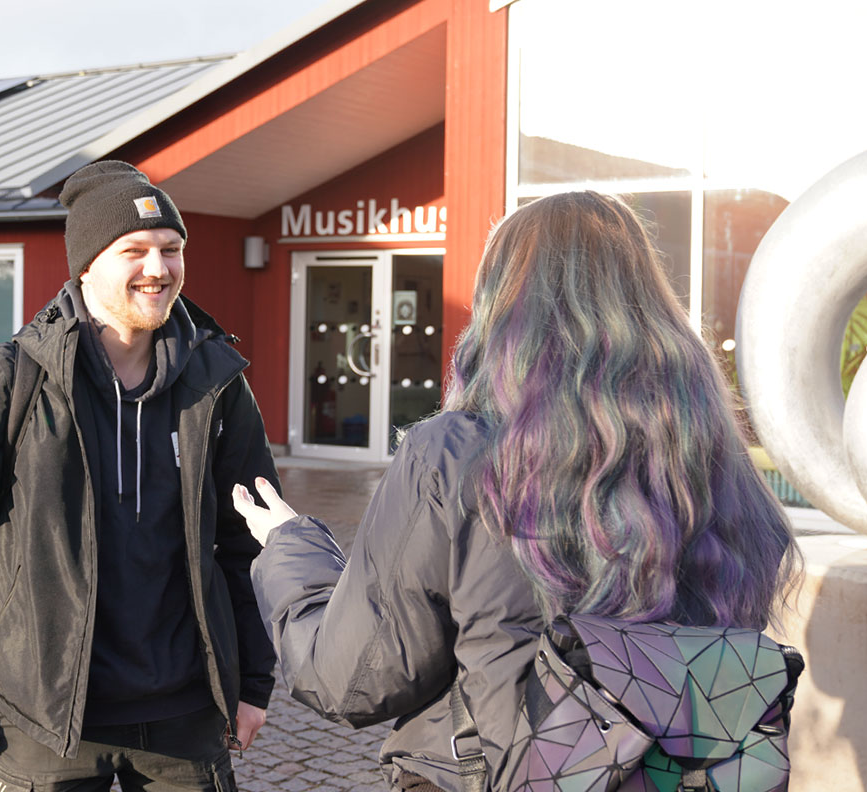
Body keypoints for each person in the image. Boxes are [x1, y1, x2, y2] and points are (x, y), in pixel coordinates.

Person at [232, 191, 801, 792]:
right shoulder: (707, 455)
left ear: (503, 305)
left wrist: (290, 547)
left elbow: (355, 678)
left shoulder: (455, 454)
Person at [0, 160, 281, 792]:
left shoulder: (218, 384)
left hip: (186, 715)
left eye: (171, 250)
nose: (158, 269)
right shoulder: (10, 379)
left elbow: (251, 545)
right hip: (48, 717)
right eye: (135, 250)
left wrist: (253, 682)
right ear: (86, 265)